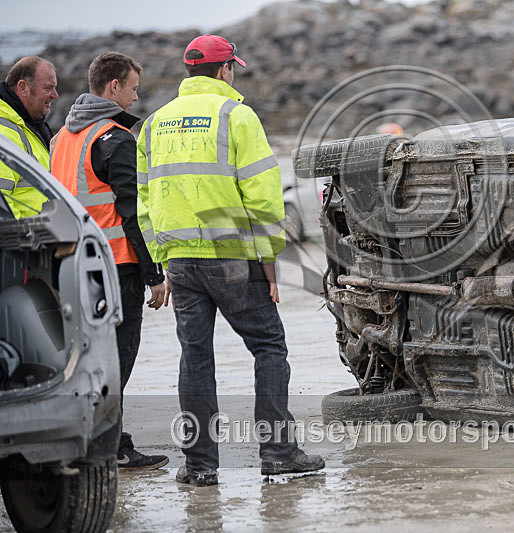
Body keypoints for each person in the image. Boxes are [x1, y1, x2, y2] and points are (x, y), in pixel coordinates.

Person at [136, 34, 325, 487]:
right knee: (268, 347)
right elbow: (263, 199)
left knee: (195, 358)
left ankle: (200, 466)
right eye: (232, 67)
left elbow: (144, 202)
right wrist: (269, 262)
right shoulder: (237, 117)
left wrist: (162, 259)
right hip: (234, 258)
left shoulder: (154, 123)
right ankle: (278, 452)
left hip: (180, 260)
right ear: (225, 70)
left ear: (189, 71)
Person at [49, 52, 169, 469]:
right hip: (117, 266)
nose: (136, 98)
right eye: (133, 88)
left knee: (86, 358)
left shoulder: (61, 138)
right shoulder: (115, 139)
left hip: (71, 266)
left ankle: (106, 438)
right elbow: (133, 213)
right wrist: (155, 274)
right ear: (113, 86)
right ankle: (108, 445)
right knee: (118, 359)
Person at [0, 56, 56, 218]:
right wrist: (28, 240)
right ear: (23, 88)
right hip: (27, 240)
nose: (55, 95)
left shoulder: (31, 126)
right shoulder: (5, 133)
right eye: (48, 88)